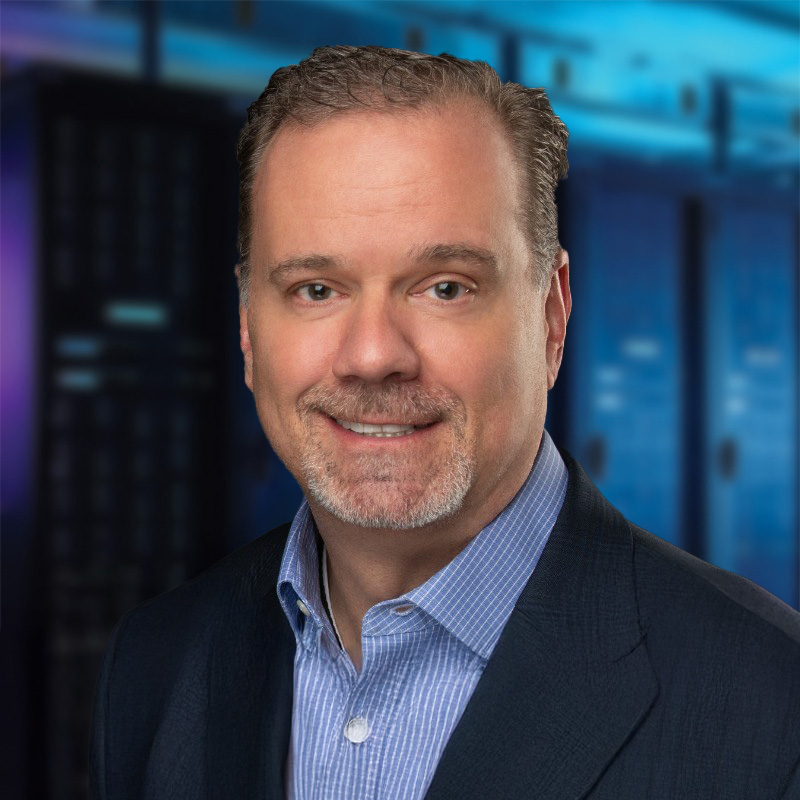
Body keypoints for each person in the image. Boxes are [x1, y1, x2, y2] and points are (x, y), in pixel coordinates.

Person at [90, 46, 800, 800]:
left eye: (445, 288)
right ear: (246, 329)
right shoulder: (156, 663)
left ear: (552, 318)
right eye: (316, 288)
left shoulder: (771, 711)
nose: (372, 356)